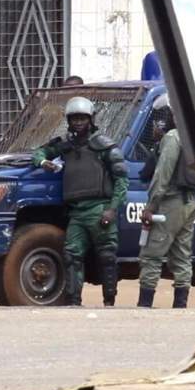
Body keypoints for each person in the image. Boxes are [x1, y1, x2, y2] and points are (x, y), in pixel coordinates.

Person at [32, 97, 128, 306]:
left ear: (91, 119)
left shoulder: (106, 147)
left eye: (82, 118)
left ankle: (109, 302)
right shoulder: (66, 144)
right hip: (77, 212)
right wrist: (43, 162)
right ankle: (74, 301)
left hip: (100, 209)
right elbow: (40, 152)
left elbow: (121, 182)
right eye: (74, 118)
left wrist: (111, 209)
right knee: (71, 256)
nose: (78, 122)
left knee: (107, 258)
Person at [136, 95, 195, 308]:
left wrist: (150, 207)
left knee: (151, 254)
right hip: (192, 201)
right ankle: (180, 307)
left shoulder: (173, 137)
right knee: (182, 256)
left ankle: (145, 305)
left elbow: (162, 175)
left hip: (172, 203)